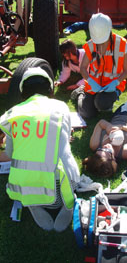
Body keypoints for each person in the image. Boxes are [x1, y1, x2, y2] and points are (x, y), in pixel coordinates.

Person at [0, 66, 80, 232]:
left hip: (30, 189)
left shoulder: (12, 114)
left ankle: (34, 207)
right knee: (65, 161)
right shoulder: (61, 107)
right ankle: (67, 207)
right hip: (62, 187)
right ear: (50, 88)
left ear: (23, 91)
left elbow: (8, 154)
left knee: (30, 192)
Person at [71, 12, 127, 119]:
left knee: (101, 103)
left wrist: (116, 82)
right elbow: (83, 68)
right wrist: (90, 81)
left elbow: (126, 70)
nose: (100, 44)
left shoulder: (122, 44)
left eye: (103, 40)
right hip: (94, 85)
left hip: (112, 86)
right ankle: (80, 92)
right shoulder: (91, 44)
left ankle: (103, 101)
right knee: (87, 114)